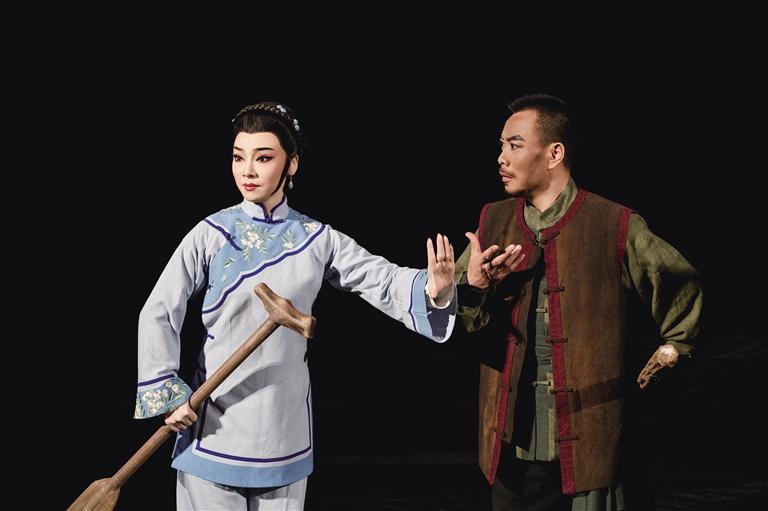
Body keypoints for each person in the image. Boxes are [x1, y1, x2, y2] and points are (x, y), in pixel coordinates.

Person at [133, 101, 457, 510]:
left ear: (292, 164)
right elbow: (160, 308)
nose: (248, 171)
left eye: (263, 158)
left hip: (283, 431)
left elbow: (379, 277)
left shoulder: (316, 238)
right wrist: (166, 390)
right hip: (212, 423)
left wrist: (433, 288)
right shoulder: (211, 233)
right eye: (238, 157)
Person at [454, 93, 702, 510]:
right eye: (501, 145)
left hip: (592, 443)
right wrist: (473, 288)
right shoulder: (492, 222)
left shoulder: (613, 224)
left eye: (514, 145)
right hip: (511, 447)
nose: (501, 157)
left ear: (554, 153)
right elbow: (461, 319)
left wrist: (672, 350)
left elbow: (680, 285)